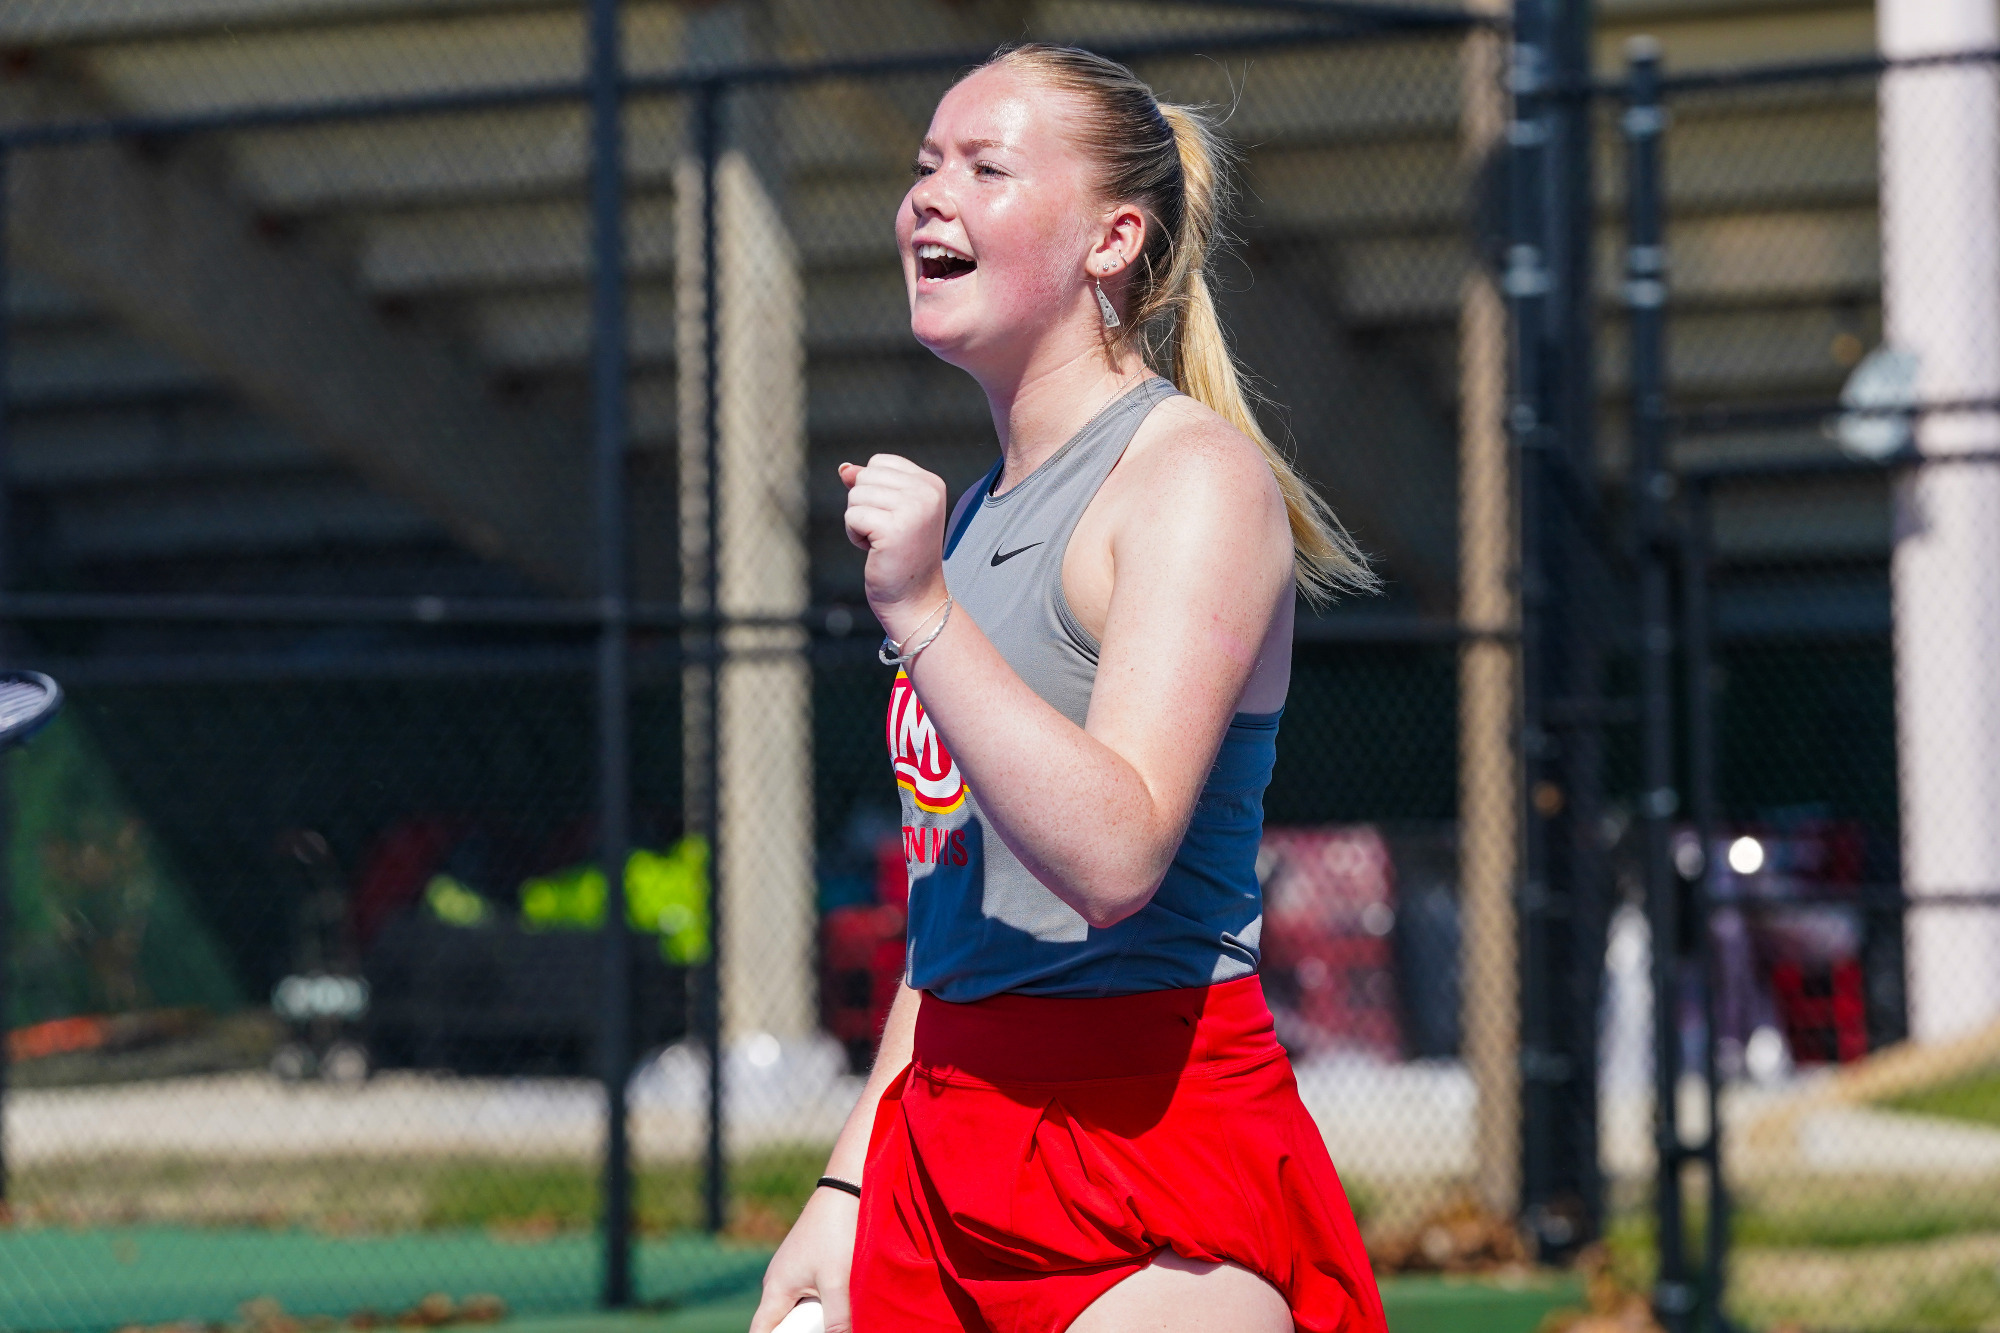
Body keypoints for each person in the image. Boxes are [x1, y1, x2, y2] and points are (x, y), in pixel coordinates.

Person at [751, 43, 1387, 1333]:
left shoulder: (1191, 482)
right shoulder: (975, 518)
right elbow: (950, 925)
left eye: (985, 168)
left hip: (1152, 1161)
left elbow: (1115, 856)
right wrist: (849, 1182)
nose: (930, 197)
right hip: (944, 1144)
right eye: (924, 166)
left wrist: (923, 615)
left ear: (1115, 240)